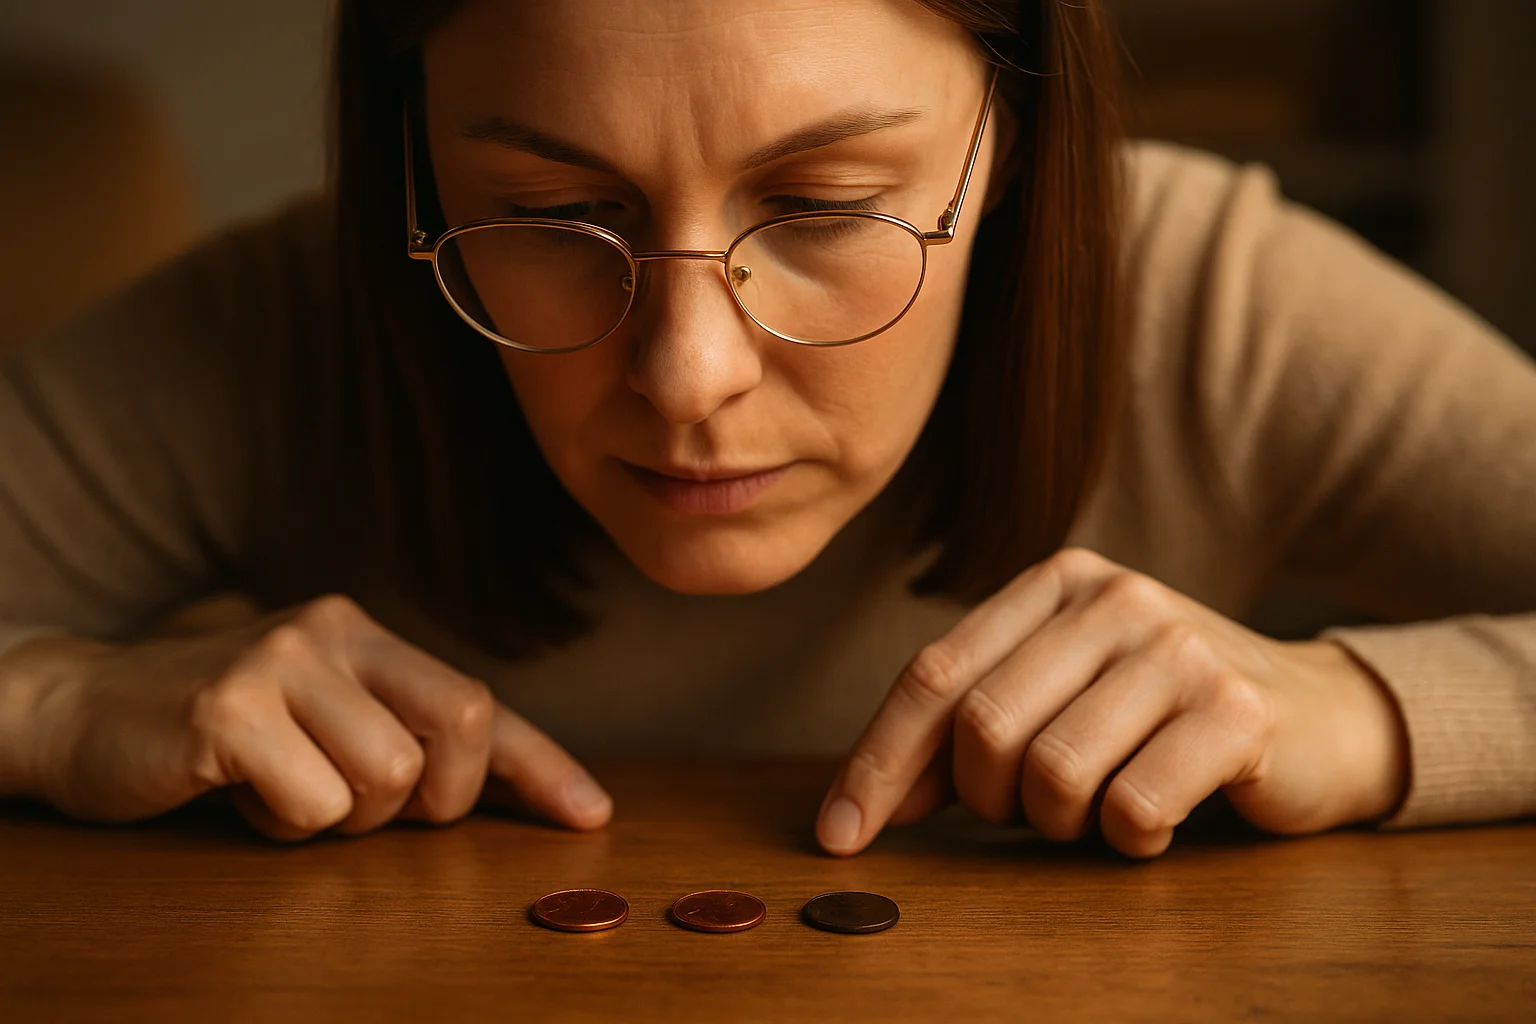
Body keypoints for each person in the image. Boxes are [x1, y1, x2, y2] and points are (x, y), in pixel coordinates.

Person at [1, 0, 1532, 857]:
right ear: (412, 170)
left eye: (825, 207)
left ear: (1016, 147)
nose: (686, 372)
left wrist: (1363, 712)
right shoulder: (288, 320)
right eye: (552, 213)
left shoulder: (1214, 298)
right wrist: (51, 705)